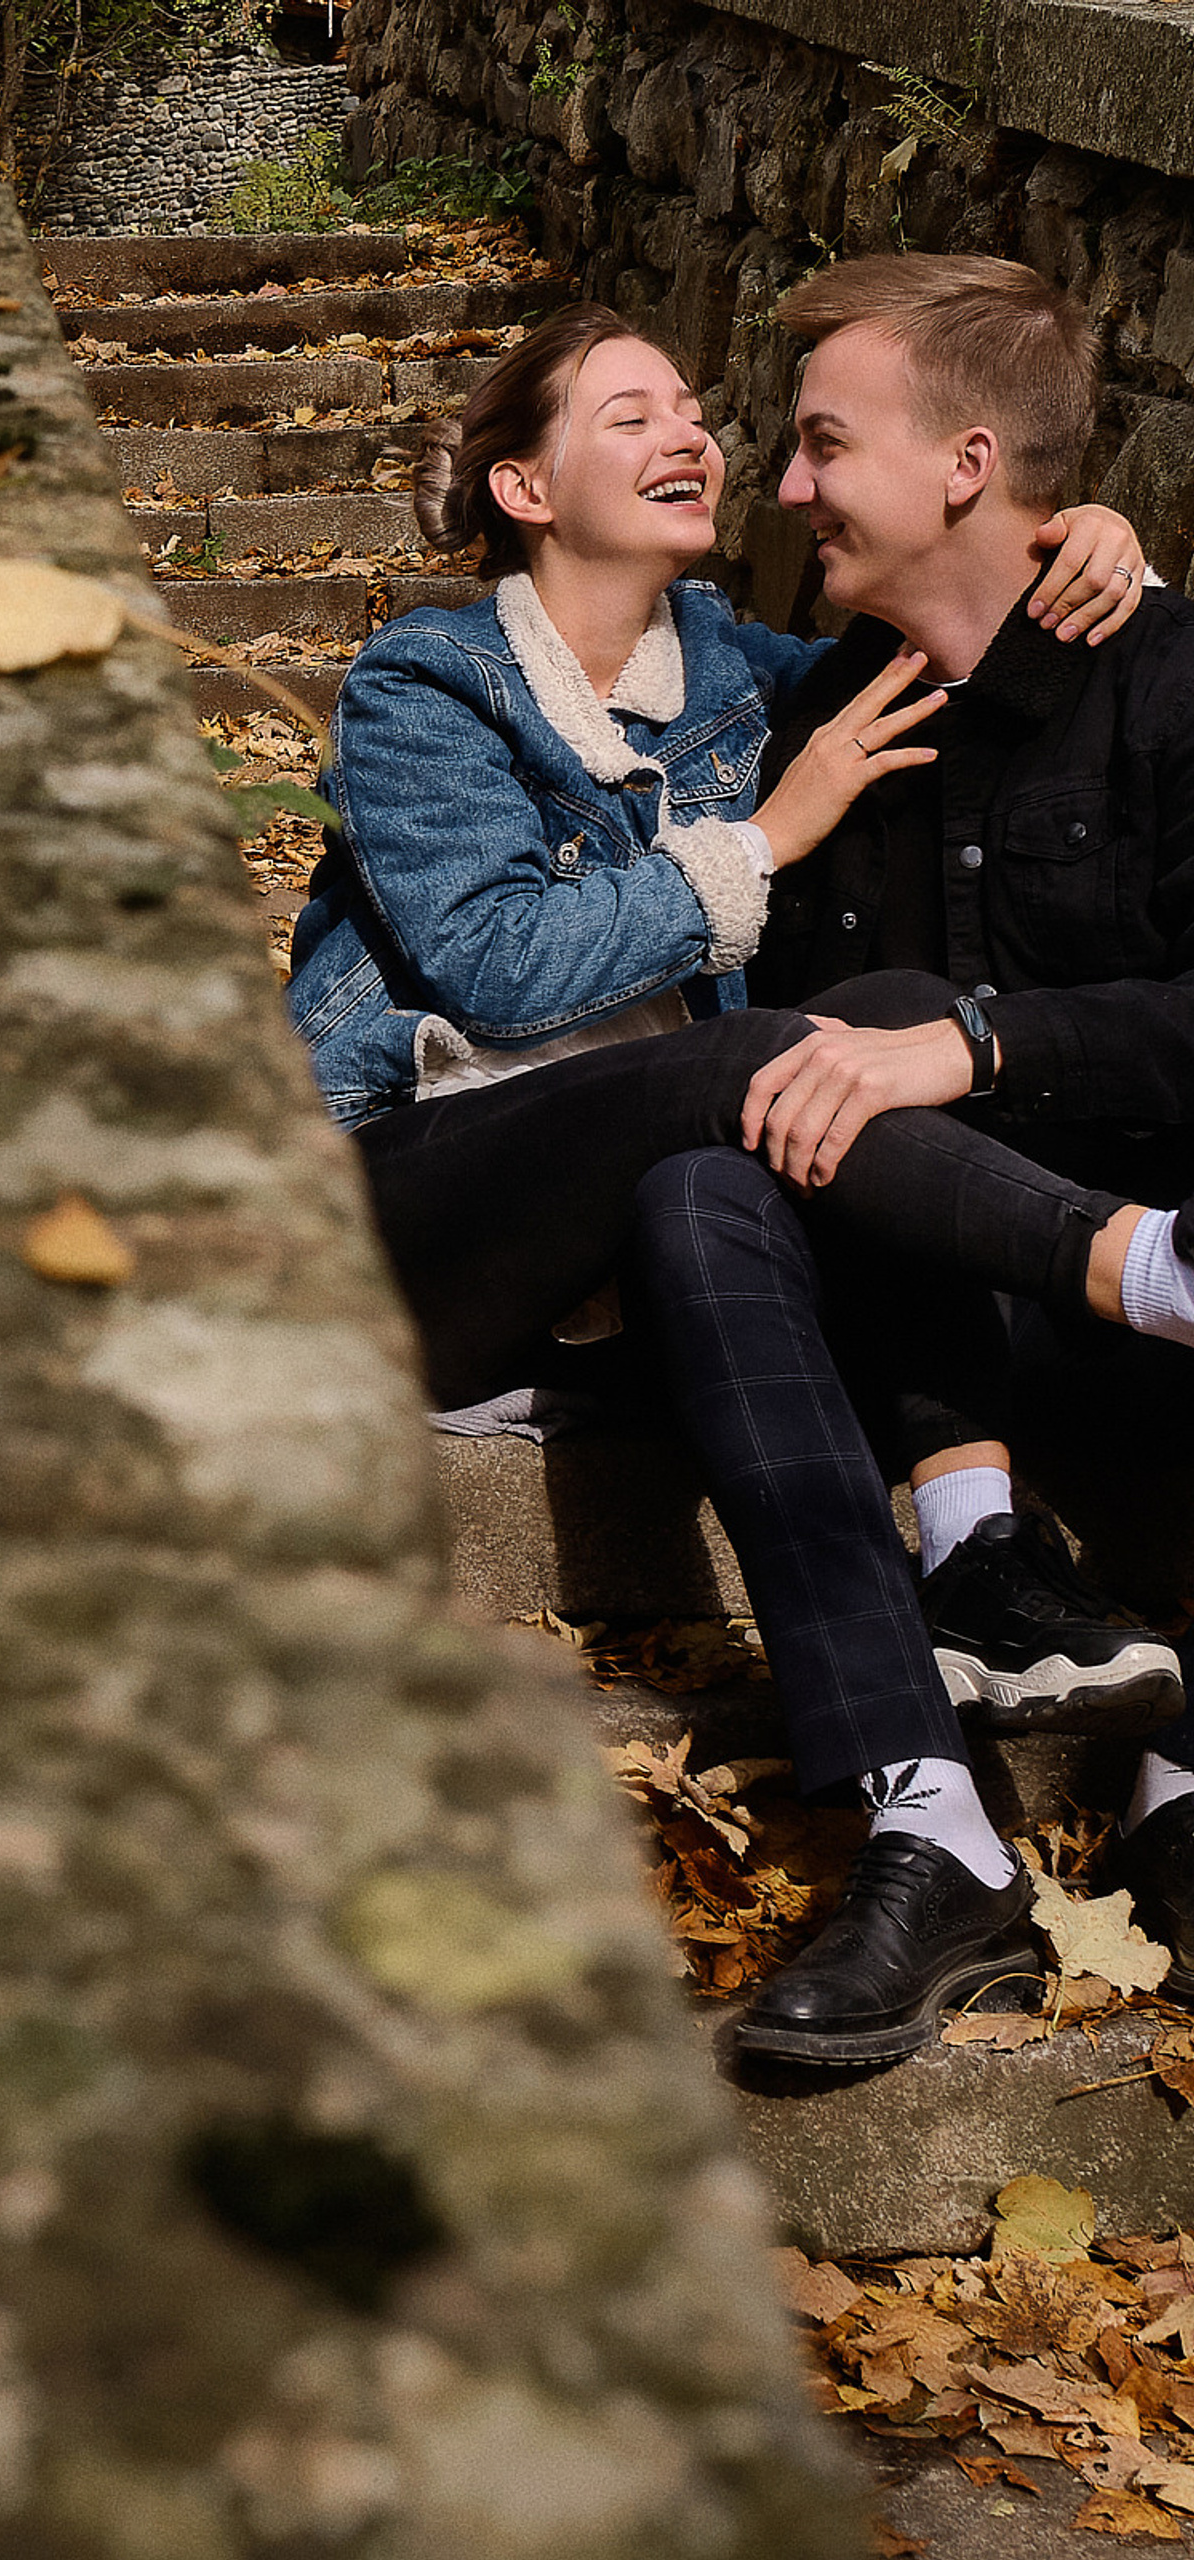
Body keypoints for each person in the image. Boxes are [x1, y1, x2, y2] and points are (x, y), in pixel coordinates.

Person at [614, 255, 1194, 2064]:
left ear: (964, 464)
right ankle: (933, 1825)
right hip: (939, 1378)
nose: (784, 488)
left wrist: (989, 1042)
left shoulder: (1174, 681)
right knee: (703, 1172)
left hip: (1154, 1365)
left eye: (819, 445)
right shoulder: (822, 722)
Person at [281, 302, 1153, 1418]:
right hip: (398, 1219)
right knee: (752, 1058)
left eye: (692, 416)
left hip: (622, 1242)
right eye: (631, 418)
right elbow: (495, 966)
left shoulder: (728, 669)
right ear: (526, 490)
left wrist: (1072, 540)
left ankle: (966, 1525)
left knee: (881, 1015)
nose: (689, 439)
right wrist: (762, 838)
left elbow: (951, 665)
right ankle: (1140, 1268)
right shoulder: (426, 685)